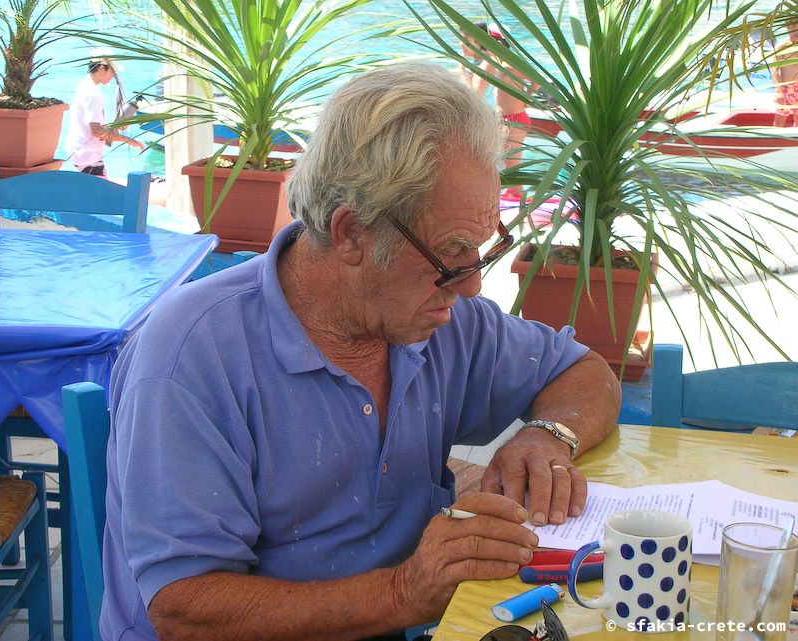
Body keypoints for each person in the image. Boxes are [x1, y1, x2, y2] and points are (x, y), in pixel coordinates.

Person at [102, 62, 620, 641]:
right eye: (453, 254)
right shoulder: (192, 356)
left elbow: (584, 372)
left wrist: (548, 435)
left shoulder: (435, 317)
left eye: (480, 251)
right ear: (351, 233)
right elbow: (183, 609)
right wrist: (405, 592)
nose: (472, 285)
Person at [459, 21, 537, 199]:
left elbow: (536, 77)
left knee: (512, 166)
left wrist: (528, 98)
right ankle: (512, 198)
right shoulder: (496, 63)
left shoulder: (510, 64)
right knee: (504, 165)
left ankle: (520, 204)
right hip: (505, 119)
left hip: (515, 119)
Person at [64, 48, 144, 176]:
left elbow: (91, 124)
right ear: (102, 68)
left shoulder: (85, 84)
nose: (113, 76)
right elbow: (97, 132)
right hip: (88, 157)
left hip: (79, 152)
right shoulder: (93, 94)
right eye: (113, 72)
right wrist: (128, 140)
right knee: (102, 195)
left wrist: (112, 126)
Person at [773, 21, 798, 127]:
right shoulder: (782, 47)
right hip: (786, 88)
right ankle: (774, 141)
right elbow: (774, 69)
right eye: (790, 27)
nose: (793, 30)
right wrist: (779, 91)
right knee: (780, 119)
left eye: (796, 26)